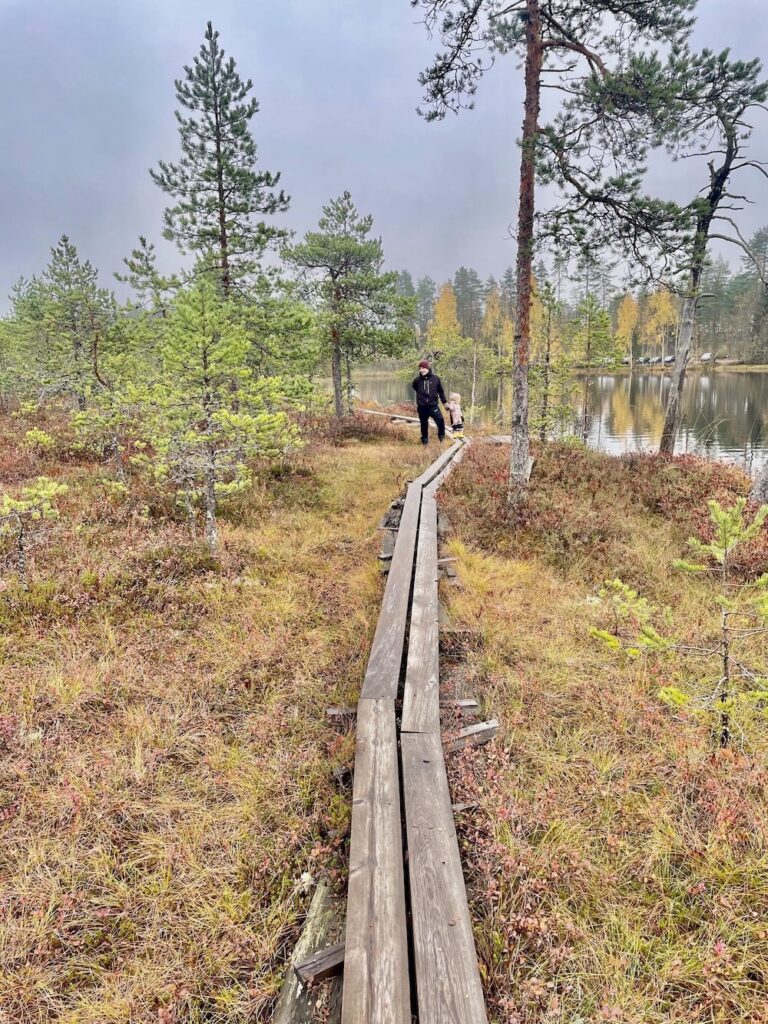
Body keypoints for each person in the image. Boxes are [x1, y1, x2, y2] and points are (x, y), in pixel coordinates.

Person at [411, 359, 447, 444]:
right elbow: (415, 387)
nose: (421, 370)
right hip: (422, 407)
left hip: (433, 405)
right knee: (423, 424)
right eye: (420, 368)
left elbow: (441, 392)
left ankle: (441, 437)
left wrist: (444, 402)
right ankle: (425, 441)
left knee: (440, 420)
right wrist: (421, 398)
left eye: (423, 368)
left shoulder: (436, 379)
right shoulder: (417, 380)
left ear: (427, 368)